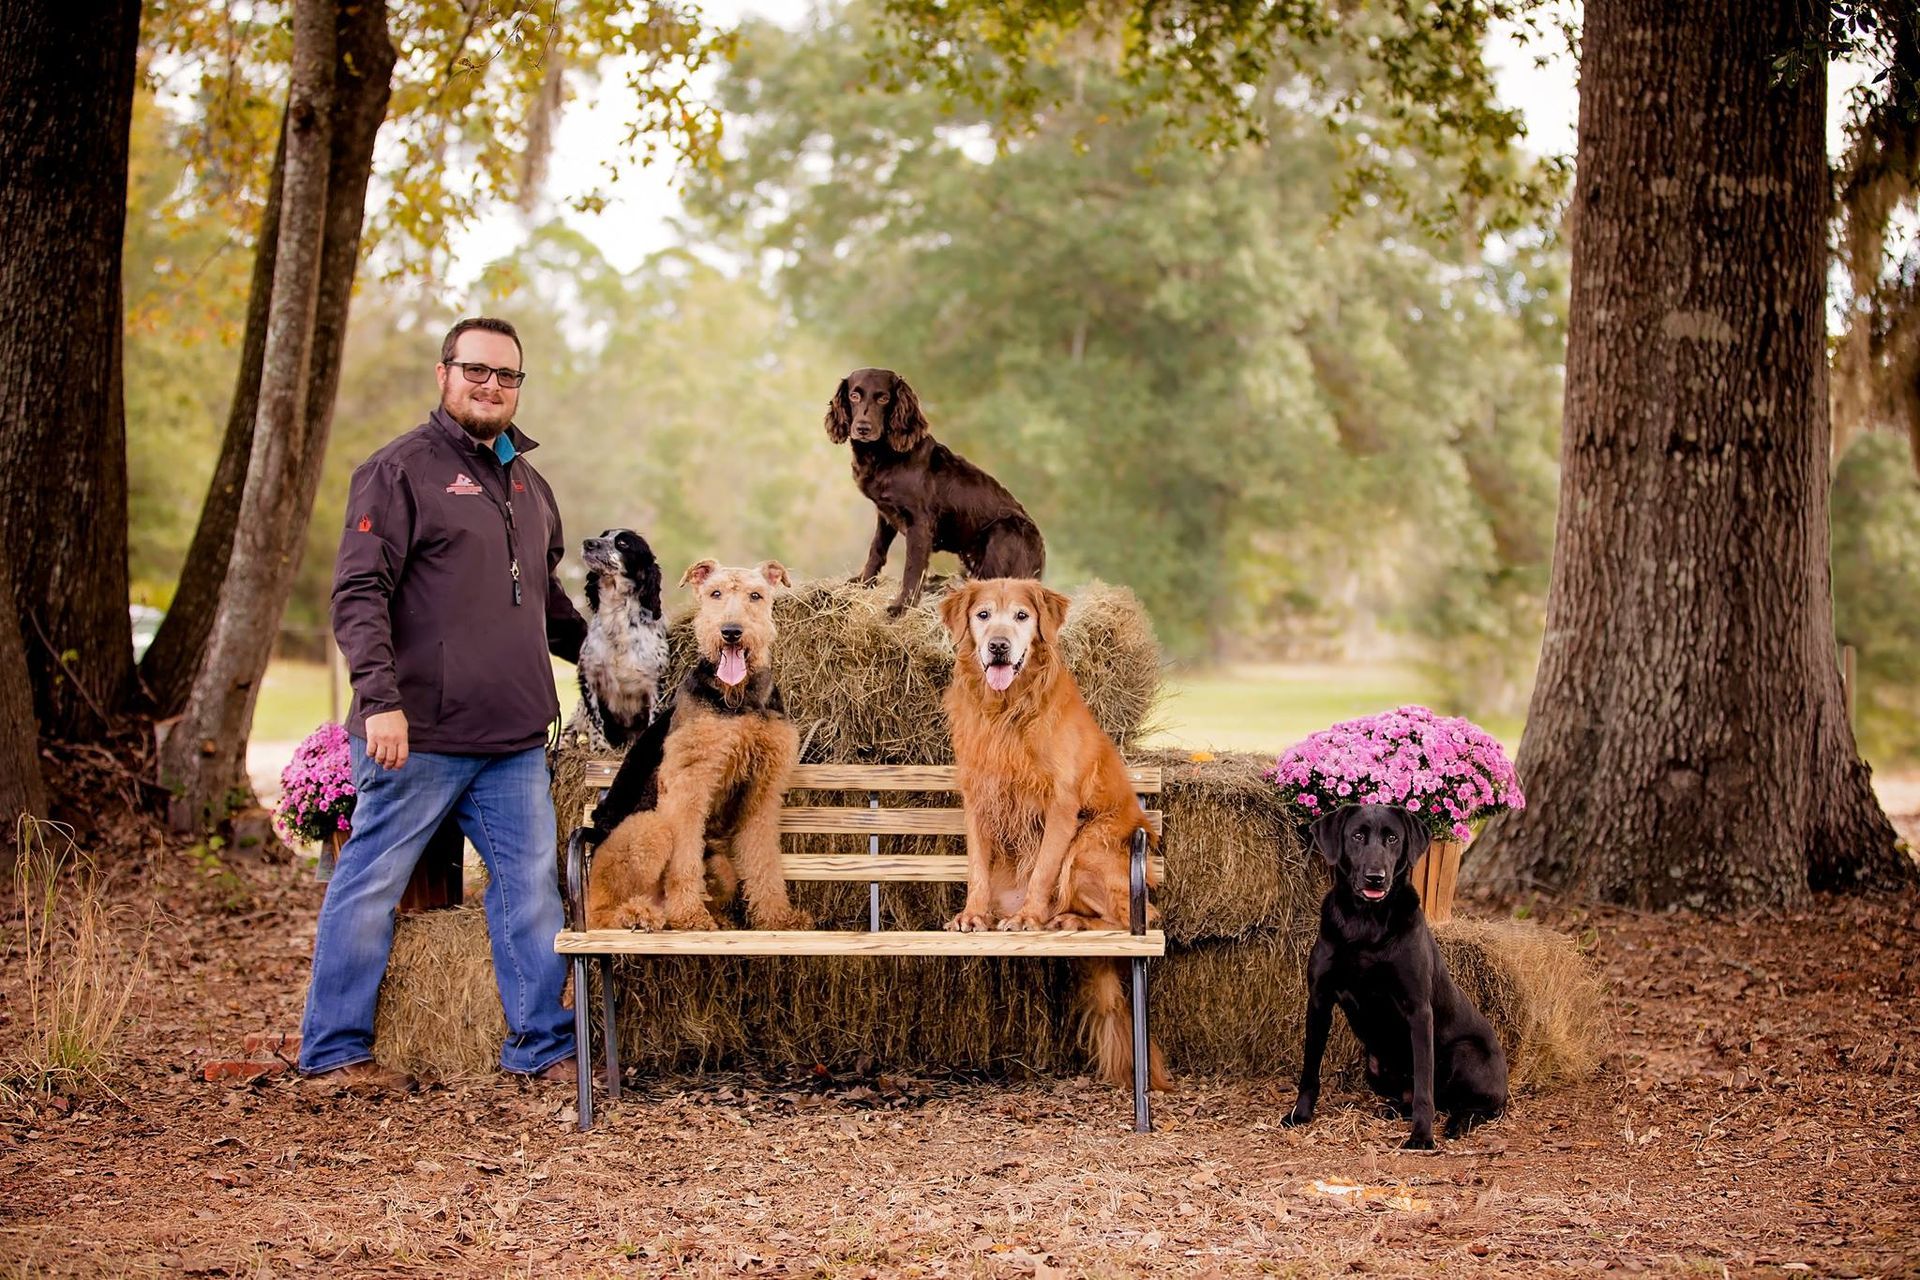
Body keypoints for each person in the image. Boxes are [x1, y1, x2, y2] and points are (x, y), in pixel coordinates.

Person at [298, 317, 587, 1085]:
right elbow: (359, 593)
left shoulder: (530, 485)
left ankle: (541, 1047)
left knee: (530, 892)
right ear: (444, 373)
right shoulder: (397, 471)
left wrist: (611, 656)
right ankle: (333, 1054)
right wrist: (380, 701)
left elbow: (545, 601)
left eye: (507, 375)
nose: (491, 385)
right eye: (476, 370)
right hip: (414, 736)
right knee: (369, 885)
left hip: (512, 743)